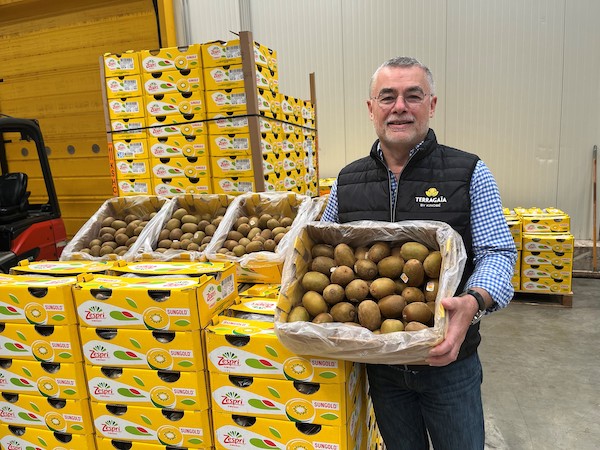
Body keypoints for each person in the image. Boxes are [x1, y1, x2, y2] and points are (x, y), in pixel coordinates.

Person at [320, 56, 517, 449]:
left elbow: (498, 251)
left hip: (449, 364)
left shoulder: (469, 172)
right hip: (379, 366)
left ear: (432, 104)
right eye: (387, 97)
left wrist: (473, 301)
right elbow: (322, 250)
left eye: (413, 96)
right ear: (371, 108)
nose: (400, 107)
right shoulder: (346, 181)